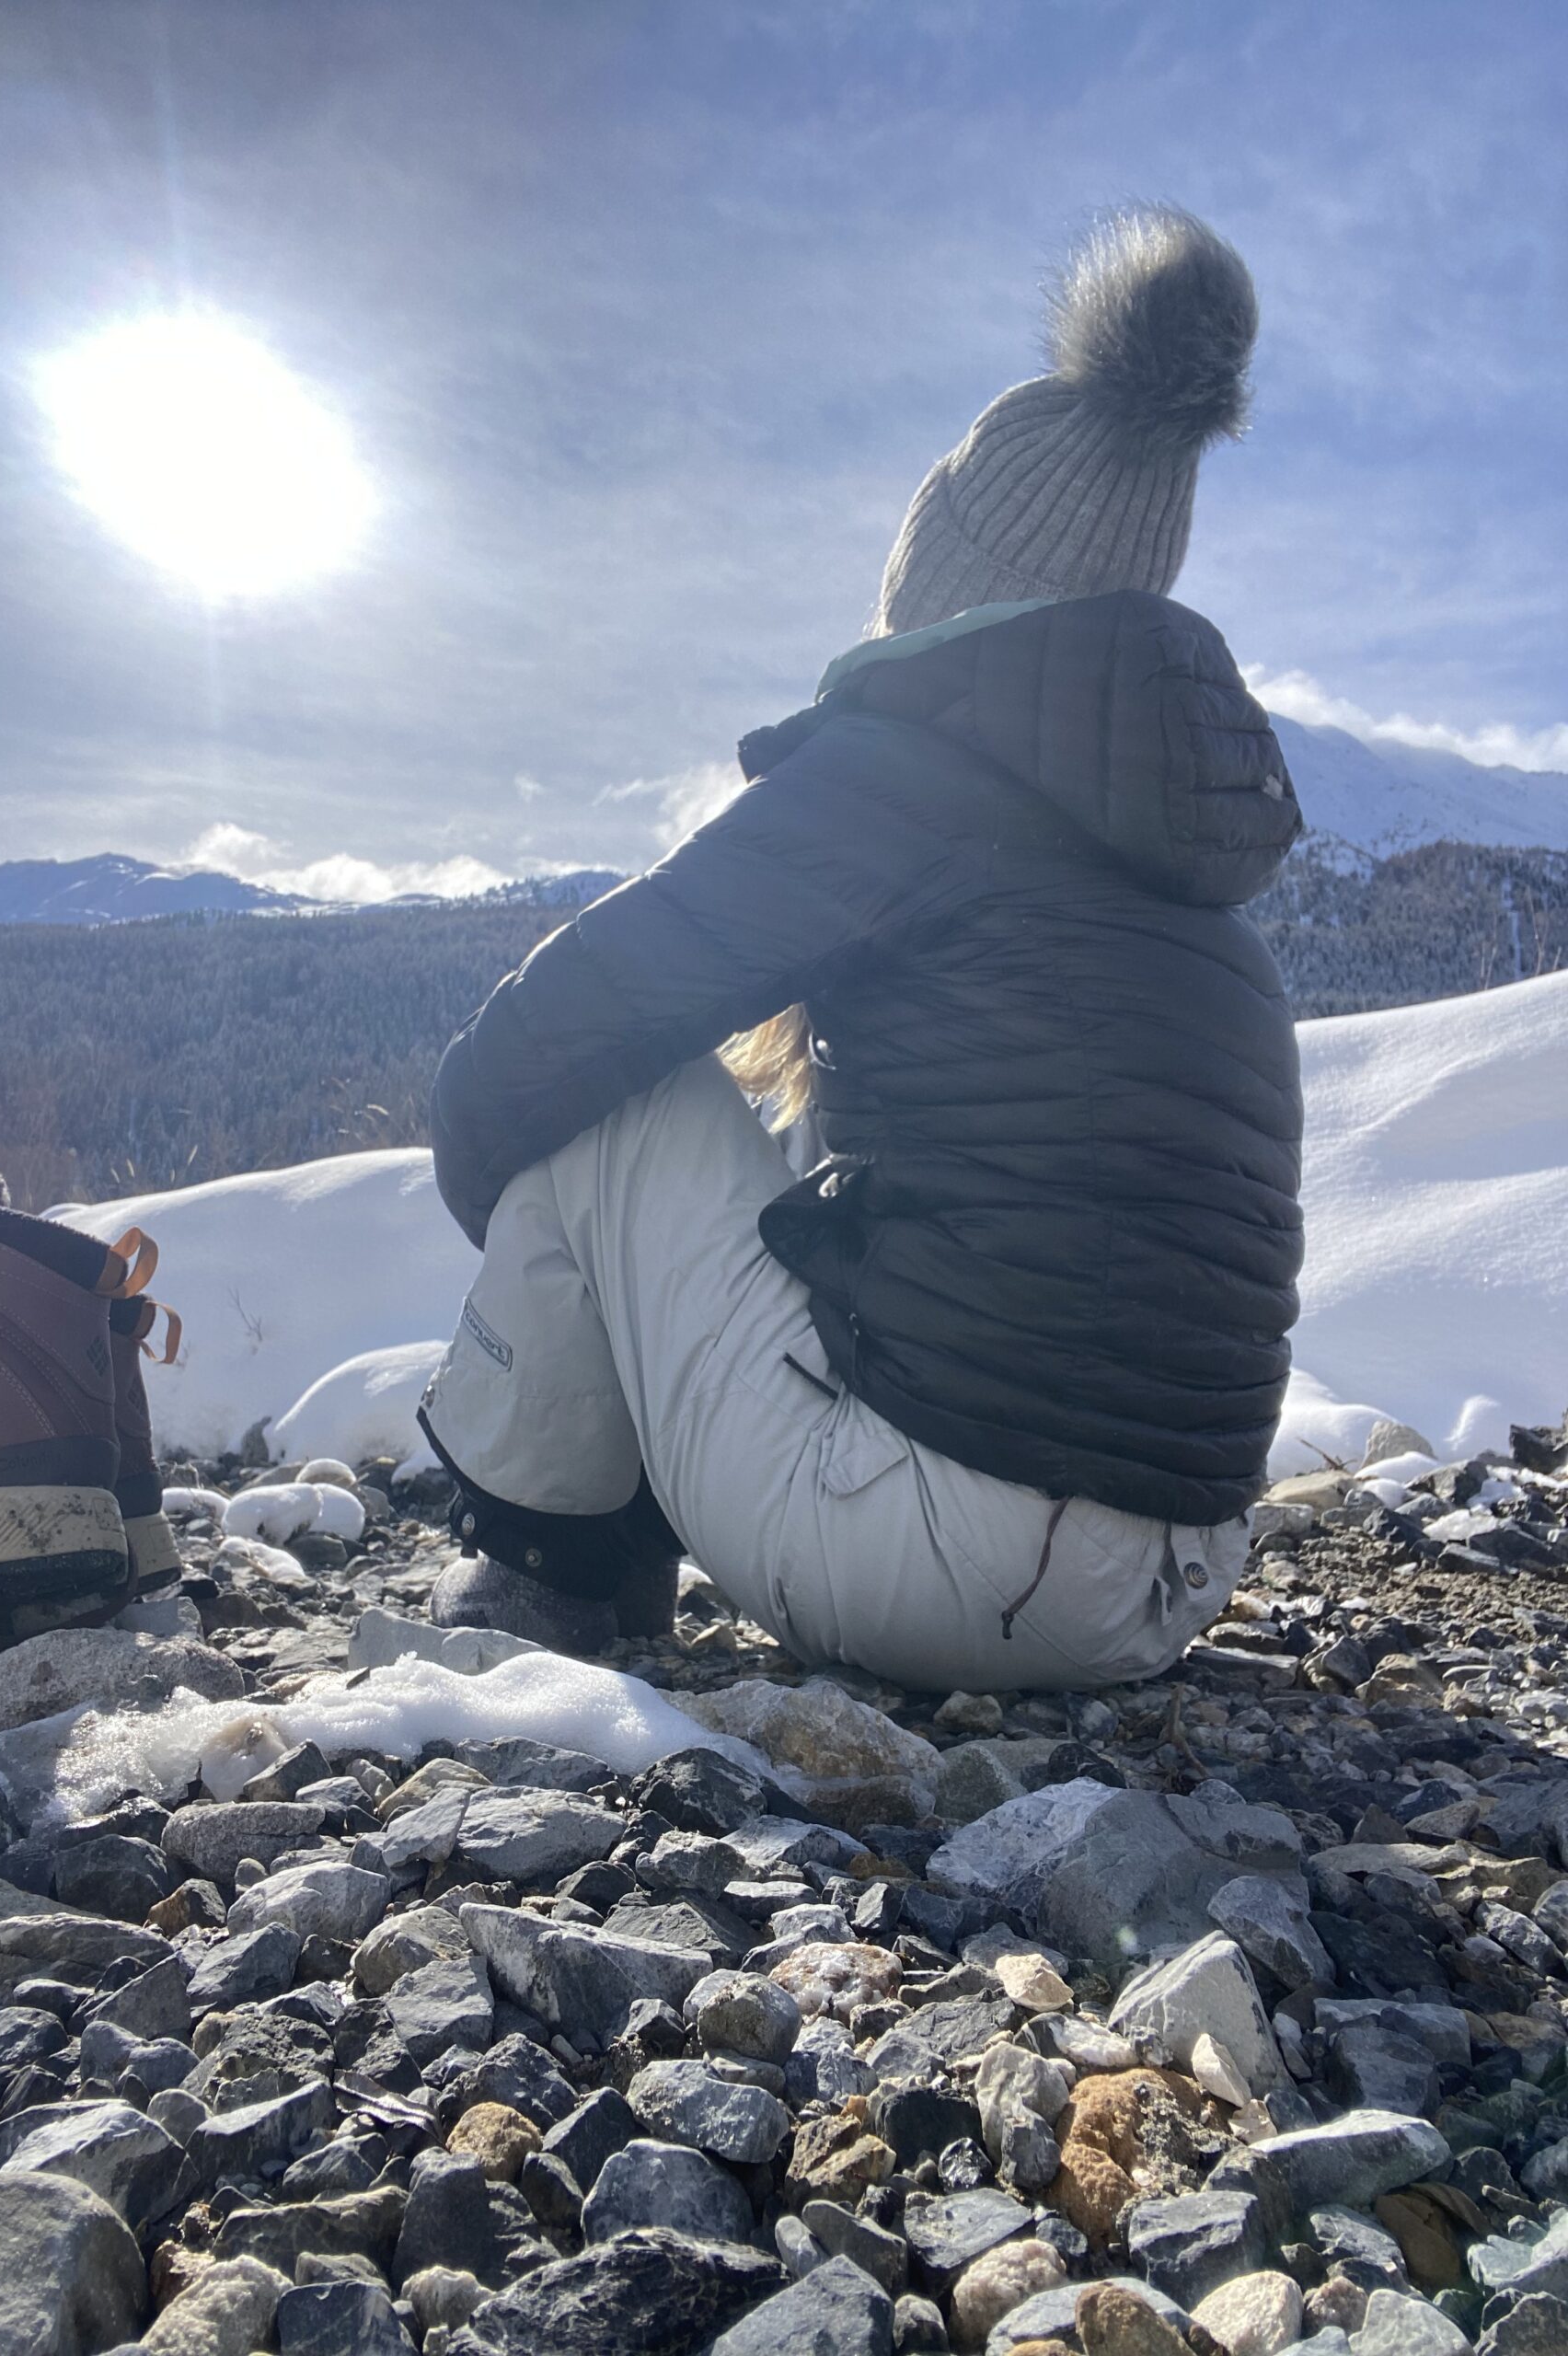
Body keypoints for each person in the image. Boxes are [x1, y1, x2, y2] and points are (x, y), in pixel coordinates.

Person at [417, 205, 1304, 1694]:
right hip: (1178, 1571)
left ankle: (556, 1575)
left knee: (602, 1096)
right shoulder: (1187, 878)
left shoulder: (911, 783)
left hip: (955, 1563)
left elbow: (533, 1050)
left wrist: (539, 1244)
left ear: (940, 584)